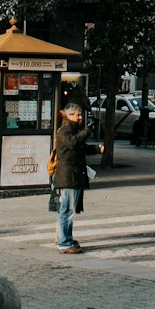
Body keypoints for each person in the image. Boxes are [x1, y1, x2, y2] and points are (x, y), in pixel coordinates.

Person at [51, 103, 94, 255]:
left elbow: (80, 146)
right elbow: (73, 142)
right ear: (69, 116)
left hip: (73, 176)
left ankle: (65, 238)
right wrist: (88, 131)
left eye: (81, 114)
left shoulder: (72, 130)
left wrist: (96, 149)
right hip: (68, 176)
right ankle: (64, 242)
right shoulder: (65, 131)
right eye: (78, 115)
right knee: (67, 211)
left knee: (68, 210)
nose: (80, 117)